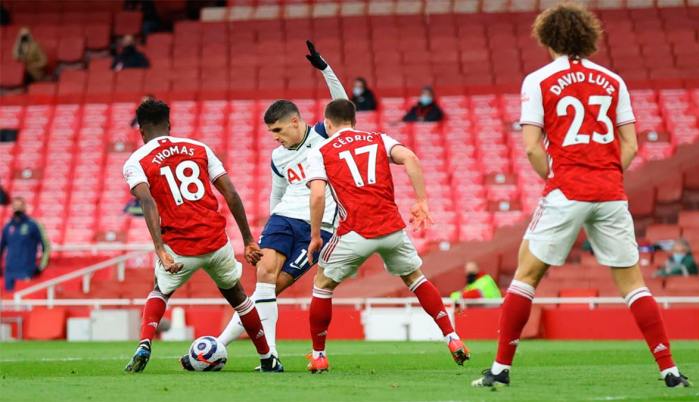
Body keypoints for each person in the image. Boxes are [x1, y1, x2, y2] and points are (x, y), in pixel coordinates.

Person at [472, 3, 689, 388]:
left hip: (566, 187)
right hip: (609, 191)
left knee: (526, 275)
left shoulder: (538, 80)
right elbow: (631, 143)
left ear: (546, 38)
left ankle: (500, 370)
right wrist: (605, 172)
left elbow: (533, 148)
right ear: (589, 36)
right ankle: (670, 371)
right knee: (633, 283)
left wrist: (558, 175)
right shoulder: (613, 80)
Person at [182, 41, 347, 367]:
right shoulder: (277, 156)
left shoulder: (323, 136)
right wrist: (266, 227)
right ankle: (269, 356)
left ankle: (218, 344)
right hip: (283, 219)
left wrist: (325, 69)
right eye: (271, 132)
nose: (275, 137)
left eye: (279, 130)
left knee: (271, 290)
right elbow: (277, 193)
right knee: (263, 281)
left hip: (320, 227)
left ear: (297, 122)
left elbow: (341, 104)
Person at [304, 99, 470, 372]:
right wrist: (422, 201)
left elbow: (318, 194)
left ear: (328, 123)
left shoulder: (320, 151)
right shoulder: (379, 138)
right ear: (354, 122)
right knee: (416, 279)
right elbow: (411, 158)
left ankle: (319, 355)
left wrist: (314, 236)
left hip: (353, 232)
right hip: (392, 229)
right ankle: (452, 338)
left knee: (322, 286)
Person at [122, 99, 282, 373]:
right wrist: (248, 240)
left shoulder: (135, 161)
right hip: (216, 242)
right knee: (240, 299)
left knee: (160, 290)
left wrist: (159, 248)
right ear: (169, 125)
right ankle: (268, 358)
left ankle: (145, 343)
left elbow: (147, 203)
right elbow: (230, 193)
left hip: (180, 247)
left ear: (141, 131)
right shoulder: (199, 148)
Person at [0, 197, 50, 291]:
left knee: (26, 303)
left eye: (19, 206)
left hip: (28, 272)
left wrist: (41, 267)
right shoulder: (7, 226)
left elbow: (46, 247)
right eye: (15, 206)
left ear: (25, 207)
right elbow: (1, 248)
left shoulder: (34, 225)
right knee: (10, 303)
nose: (17, 208)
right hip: (10, 273)